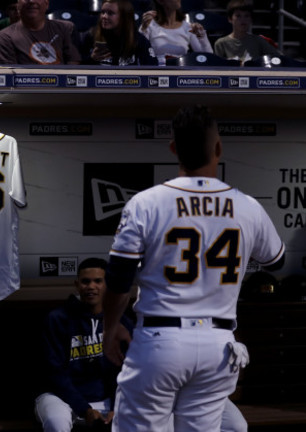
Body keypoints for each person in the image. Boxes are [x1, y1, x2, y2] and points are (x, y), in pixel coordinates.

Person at [102, 104, 285, 432]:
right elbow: (277, 260)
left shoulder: (146, 202)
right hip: (219, 345)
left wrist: (111, 326)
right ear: (218, 148)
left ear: (174, 149)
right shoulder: (248, 206)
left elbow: (119, 276)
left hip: (160, 340)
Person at [35, 258, 133, 432]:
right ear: (77, 285)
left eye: (98, 281)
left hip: (107, 398)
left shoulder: (120, 322)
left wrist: (116, 407)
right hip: (61, 397)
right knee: (55, 422)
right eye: (85, 281)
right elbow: (55, 373)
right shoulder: (58, 319)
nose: (91, 286)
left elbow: (127, 371)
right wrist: (84, 409)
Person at [0, 0, 81, 65]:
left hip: (61, 88)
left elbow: (73, 67)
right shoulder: (4, 37)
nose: (31, 1)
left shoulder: (66, 28)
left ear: (47, 4)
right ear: (17, 5)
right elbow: (8, 79)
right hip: (25, 89)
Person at [139, 0, 212, 66]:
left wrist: (202, 37)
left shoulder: (187, 26)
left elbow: (207, 57)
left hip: (181, 72)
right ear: (160, 1)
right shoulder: (149, 25)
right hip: (156, 70)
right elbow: (139, 51)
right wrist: (144, 29)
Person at [86, 0, 158, 66]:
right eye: (103, 12)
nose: (104, 16)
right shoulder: (91, 36)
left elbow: (152, 71)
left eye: (110, 13)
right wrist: (92, 59)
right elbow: (79, 71)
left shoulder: (139, 41)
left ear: (124, 17)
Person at [213, 0, 282, 64]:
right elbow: (217, 67)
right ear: (230, 19)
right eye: (238, 16)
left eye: (246, 16)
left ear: (251, 19)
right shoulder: (221, 43)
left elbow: (277, 58)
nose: (243, 19)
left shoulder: (258, 41)